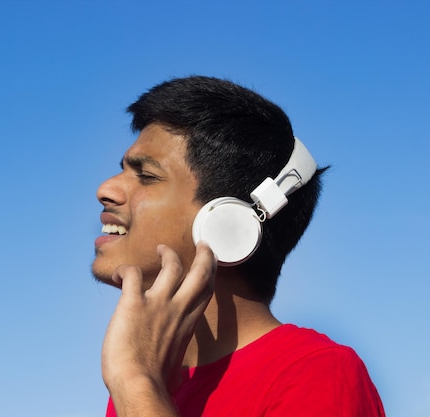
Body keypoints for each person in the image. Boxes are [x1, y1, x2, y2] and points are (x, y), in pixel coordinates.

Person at [92, 76, 385, 417]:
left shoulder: (318, 373)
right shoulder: (142, 386)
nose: (105, 189)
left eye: (147, 176)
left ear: (228, 223)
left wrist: (135, 383)